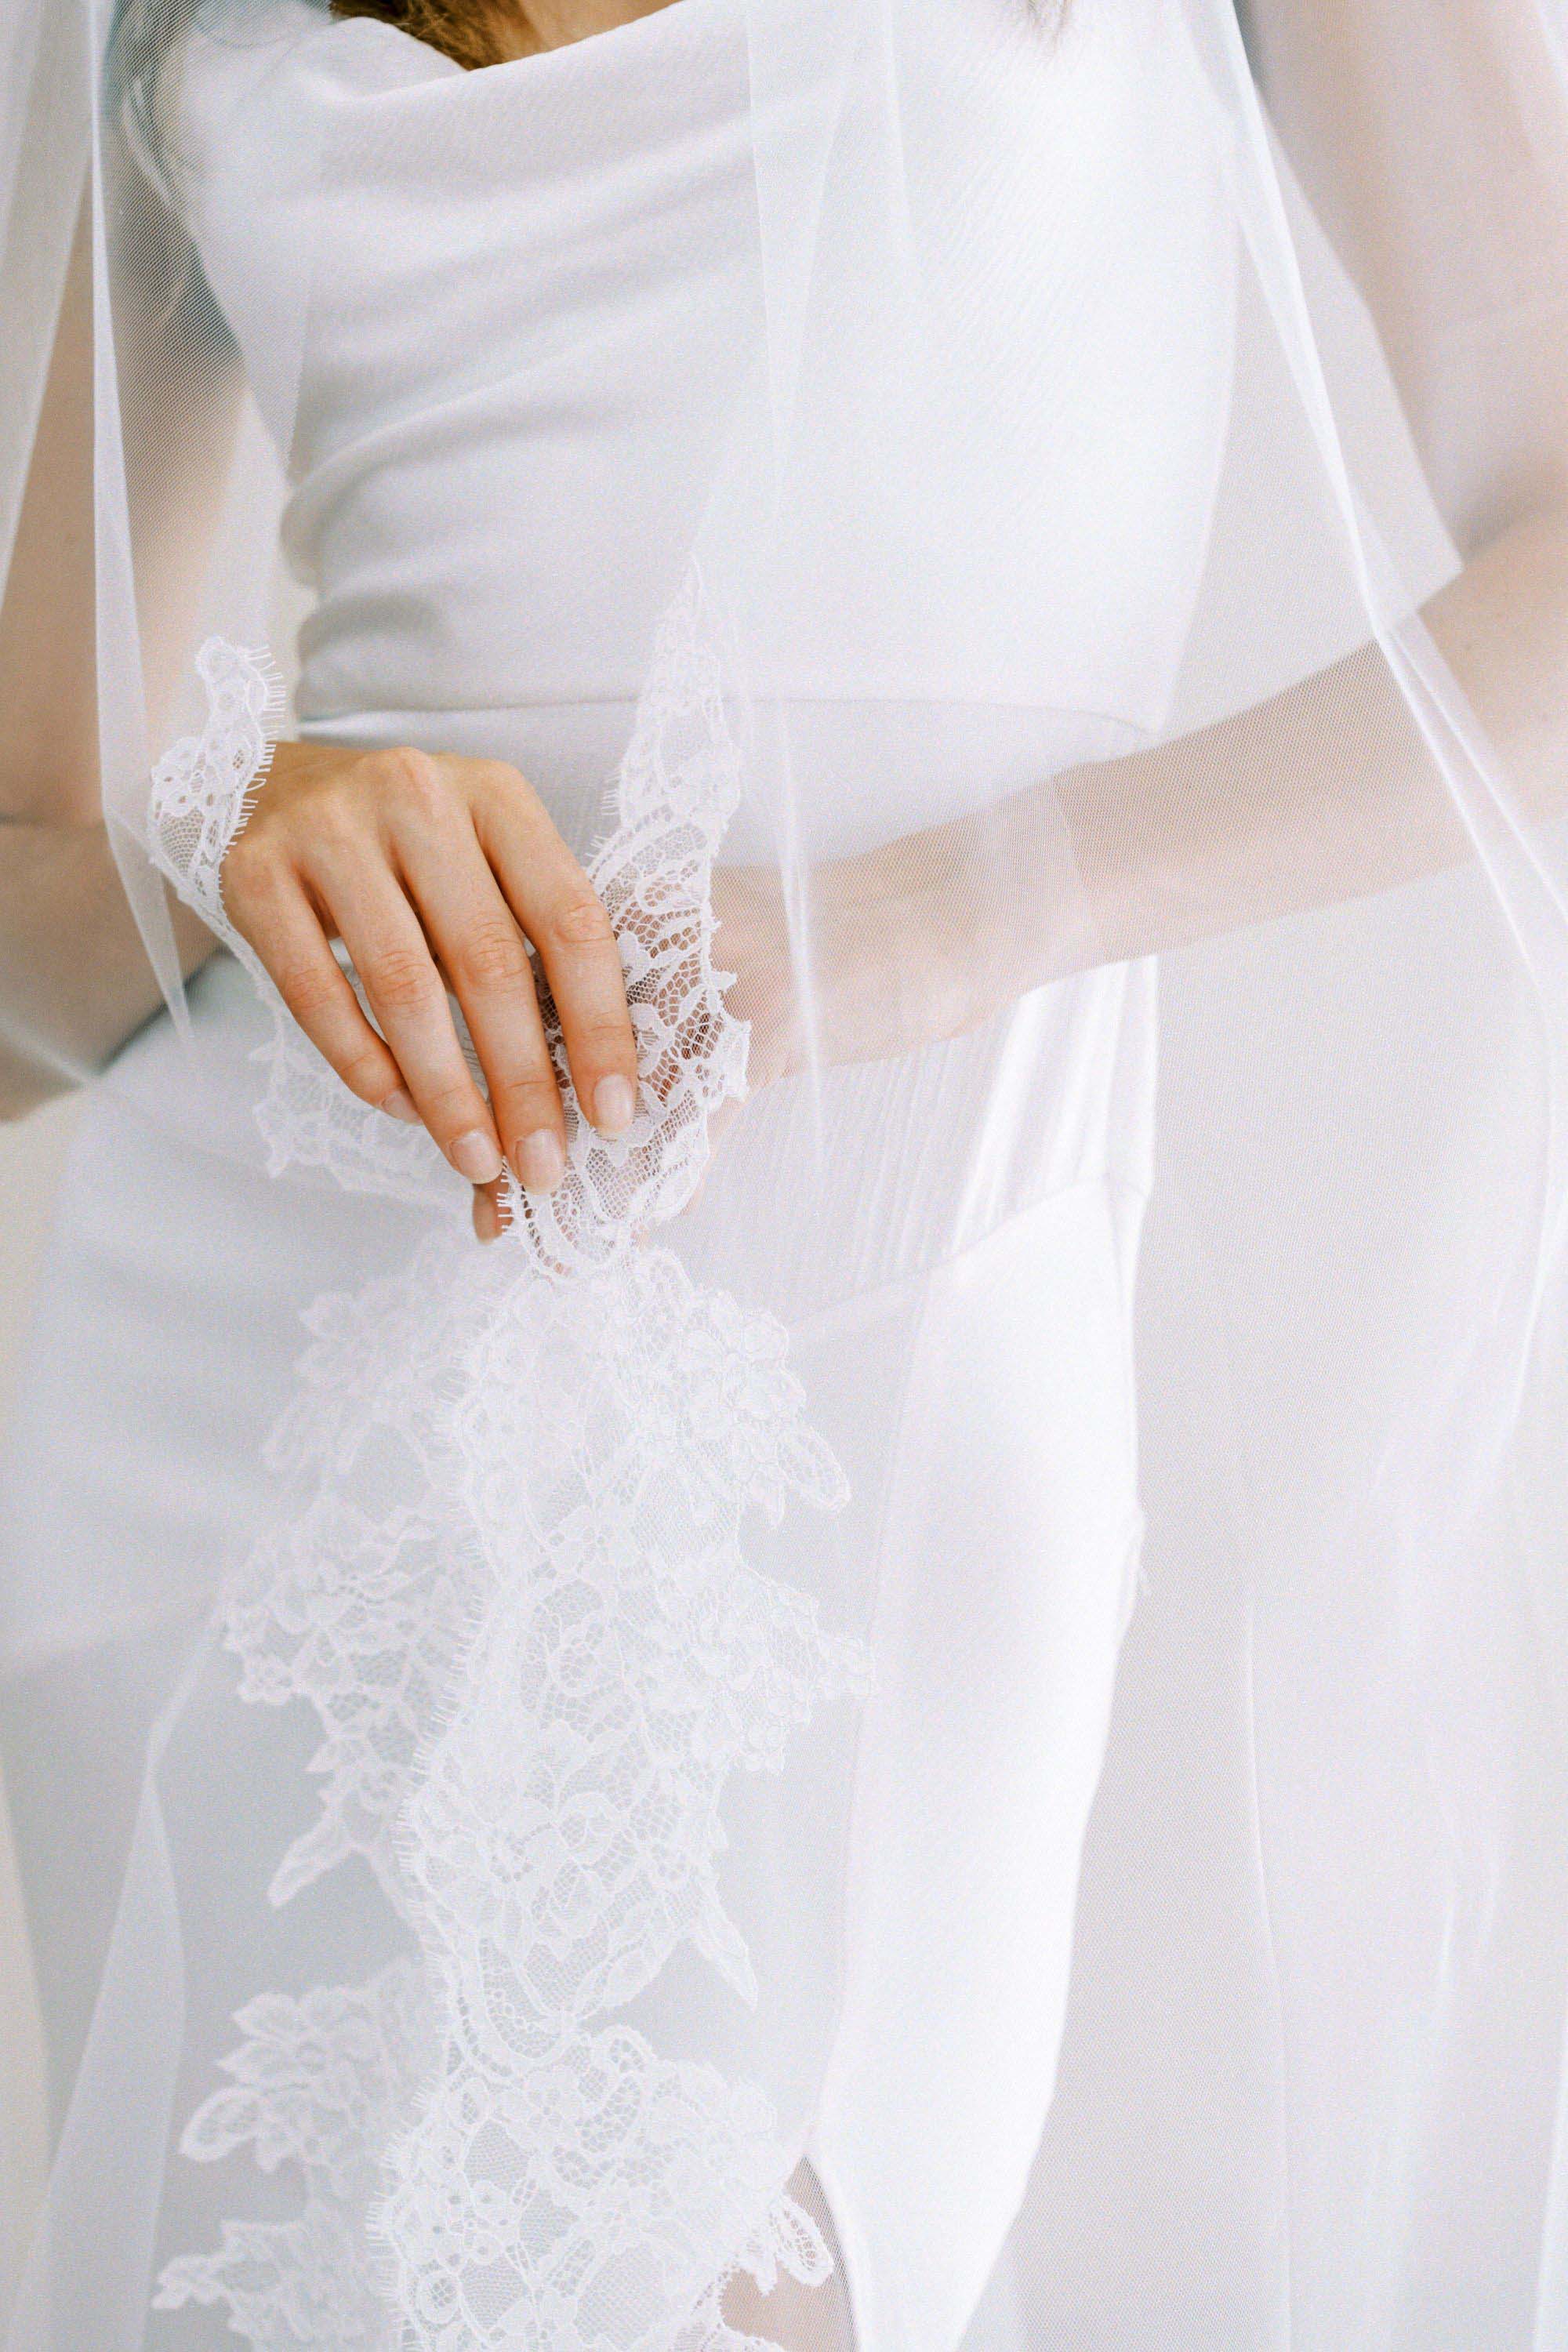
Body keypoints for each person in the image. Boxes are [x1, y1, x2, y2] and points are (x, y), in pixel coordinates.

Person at [3, 1, 1568, 2344]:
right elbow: (22, 861)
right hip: (252, 1366)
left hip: (898, 1271)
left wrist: (967, 915)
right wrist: (242, 825)